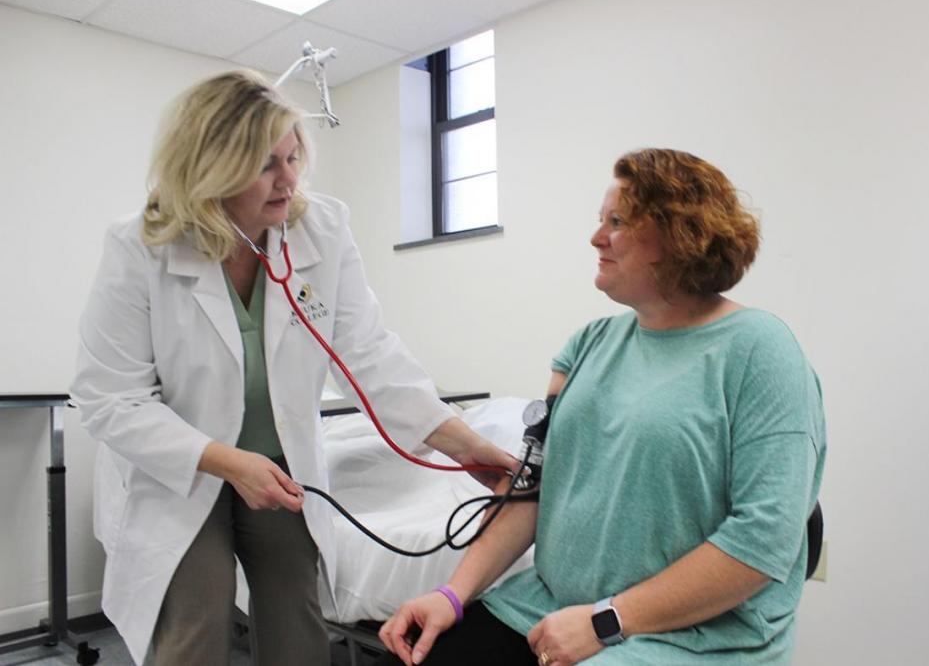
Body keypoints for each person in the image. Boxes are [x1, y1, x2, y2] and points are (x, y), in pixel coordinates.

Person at [69, 69, 517, 666]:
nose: (289, 181)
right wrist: (228, 462)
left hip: (280, 464)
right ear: (211, 166)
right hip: (184, 469)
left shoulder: (320, 230)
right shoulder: (141, 247)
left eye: (293, 156)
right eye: (266, 165)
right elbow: (108, 398)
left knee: (297, 625)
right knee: (194, 627)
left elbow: (367, 352)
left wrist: (464, 445)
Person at [376, 148, 827, 666]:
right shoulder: (586, 346)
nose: (596, 238)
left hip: (690, 635)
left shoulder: (760, 351)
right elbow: (534, 488)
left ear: (679, 233)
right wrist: (451, 596)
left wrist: (606, 619)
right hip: (546, 610)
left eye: (617, 222)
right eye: (601, 221)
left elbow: (763, 540)